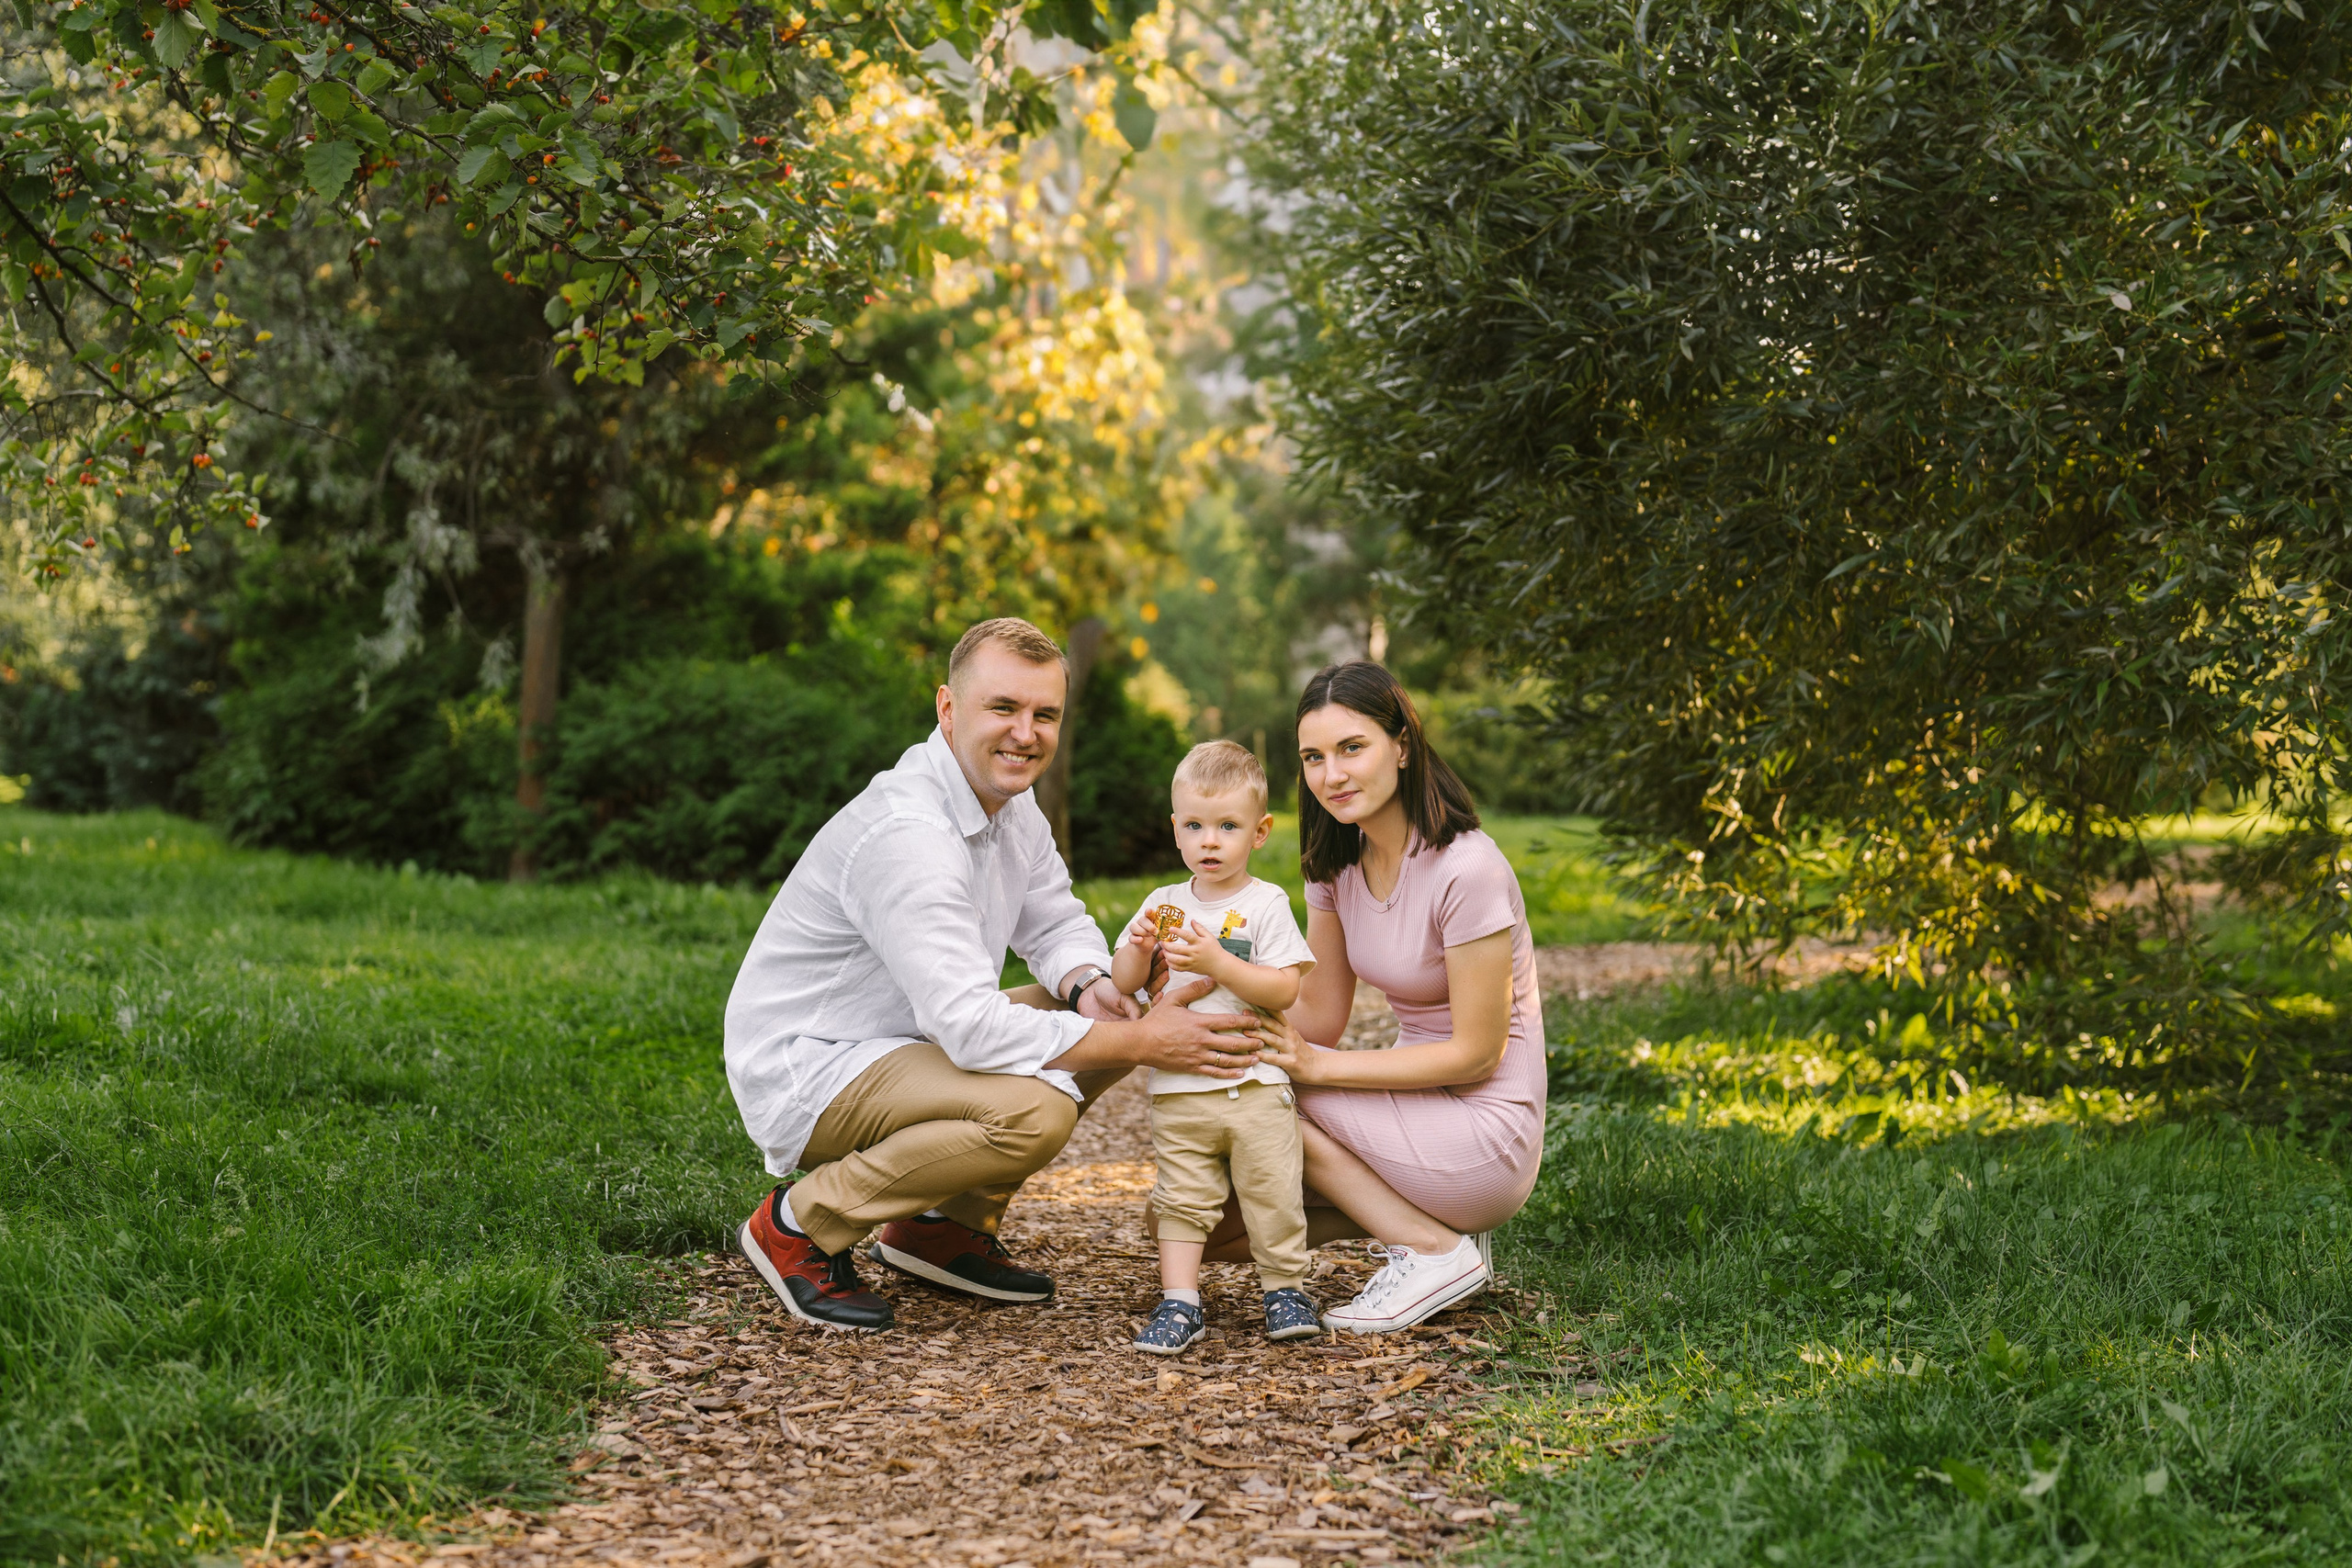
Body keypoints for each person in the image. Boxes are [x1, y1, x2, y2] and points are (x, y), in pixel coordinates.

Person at [724, 617, 1263, 1331]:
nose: (1026, 733)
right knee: (1032, 1111)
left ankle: (939, 1229)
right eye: (1003, 708)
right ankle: (798, 1224)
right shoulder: (909, 835)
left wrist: (1091, 985)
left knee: (1118, 1008)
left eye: (1045, 714)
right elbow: (971, 1030)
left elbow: (1053, 919)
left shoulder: (1009, 802)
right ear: (948, 709)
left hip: (897, 1038)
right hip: (812, 1063)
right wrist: (1144, 1044)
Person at [1242, 660, 1548, 1334]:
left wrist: (1313, 1067)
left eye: (1353, 747)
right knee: (1207, 1222)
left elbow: (1474, 1054)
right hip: (1417, 1110)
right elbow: (1320, 1016)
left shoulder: (1468, 868)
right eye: (1314, 756)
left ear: (1402, 745)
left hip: (1487, 1133)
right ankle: (1426, 1221)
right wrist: (1213, 989)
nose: (1332, 774)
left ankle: (1437, 1250)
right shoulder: (1336, 864)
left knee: (1266, 1087)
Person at [1110, 741, 1322, 1354]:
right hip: (1180, 1089)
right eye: (1196, 825)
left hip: (1255, 1084)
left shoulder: (1265, 903)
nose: (1211, 840)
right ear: (1175, 828)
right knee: (1180, 1196)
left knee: (1273, 1189)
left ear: (1259, 832)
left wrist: (1217, 964)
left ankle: (1284, 1286)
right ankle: (1180, 1299)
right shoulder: (1163, 904)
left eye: (1228, 826)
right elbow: (1124, 983)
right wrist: (1136, 947)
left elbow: (1283, 986)